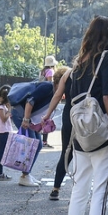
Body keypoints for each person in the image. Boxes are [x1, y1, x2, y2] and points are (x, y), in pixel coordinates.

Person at [66, 15, 108, 215]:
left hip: (81, 135)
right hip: (102, 134)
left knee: (79, 190)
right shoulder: (107, 58)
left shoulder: (79, 63)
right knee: (100, 192)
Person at [16, 80, 55, 187]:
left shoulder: (53, 89)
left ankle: (26, 174)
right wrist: (26, 119)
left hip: (27, 116)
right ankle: (24, 176)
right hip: (21, 113)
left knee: (38, 144)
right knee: (32, 144)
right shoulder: (48, 87)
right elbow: (30, 100)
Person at [41, 66, 72, 200]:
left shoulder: (68, 76)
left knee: (66, 153)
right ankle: (81, 190)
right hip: (86, 116)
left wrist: (47, 115)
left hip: (69, 115)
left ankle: (56, 188)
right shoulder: (85, 74)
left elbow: (57, 96)